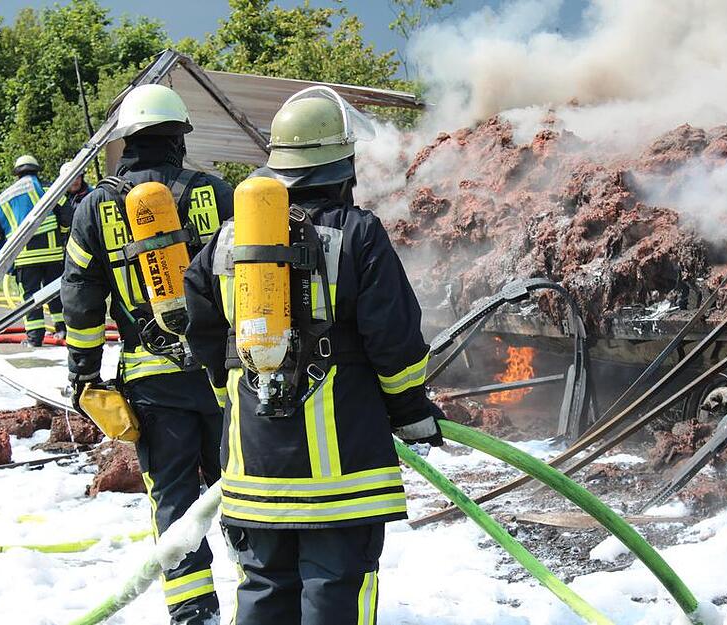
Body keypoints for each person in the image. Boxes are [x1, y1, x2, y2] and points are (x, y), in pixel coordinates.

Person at [184, 87, 444, 624]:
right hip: (341, 475)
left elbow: (205, 339)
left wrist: (234, 404)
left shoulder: (226, 242)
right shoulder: (358, 233)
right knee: (335, 592)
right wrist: (411, 412)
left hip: (253, 467)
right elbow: (394, 341)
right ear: (344, 165)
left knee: (262, 589)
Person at [60, 84, 232, 625]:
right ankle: (263, 601)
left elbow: (80, 299)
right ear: (180, 137)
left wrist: (83, 373)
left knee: (175, 499)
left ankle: (192, 611)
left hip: (153, 382)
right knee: (244, 490)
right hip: (226, 377)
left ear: (126, 140)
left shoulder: (96, 206)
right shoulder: (215, 192)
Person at [0, 155, 71, 345]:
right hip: (53, 253)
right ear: (36, 170)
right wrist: (63, 235)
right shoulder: (48, 188)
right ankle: (62, 330)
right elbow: (67, 213)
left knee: (30, 297)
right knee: (56, 292)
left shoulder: (3, 198)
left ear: (16, 174)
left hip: (24, 257)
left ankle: (34, 338)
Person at [59, 161, 92, 226]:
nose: (75, 181)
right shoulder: (58, 197)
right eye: (71, 178)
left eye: (78, 177)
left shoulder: (91, 196)